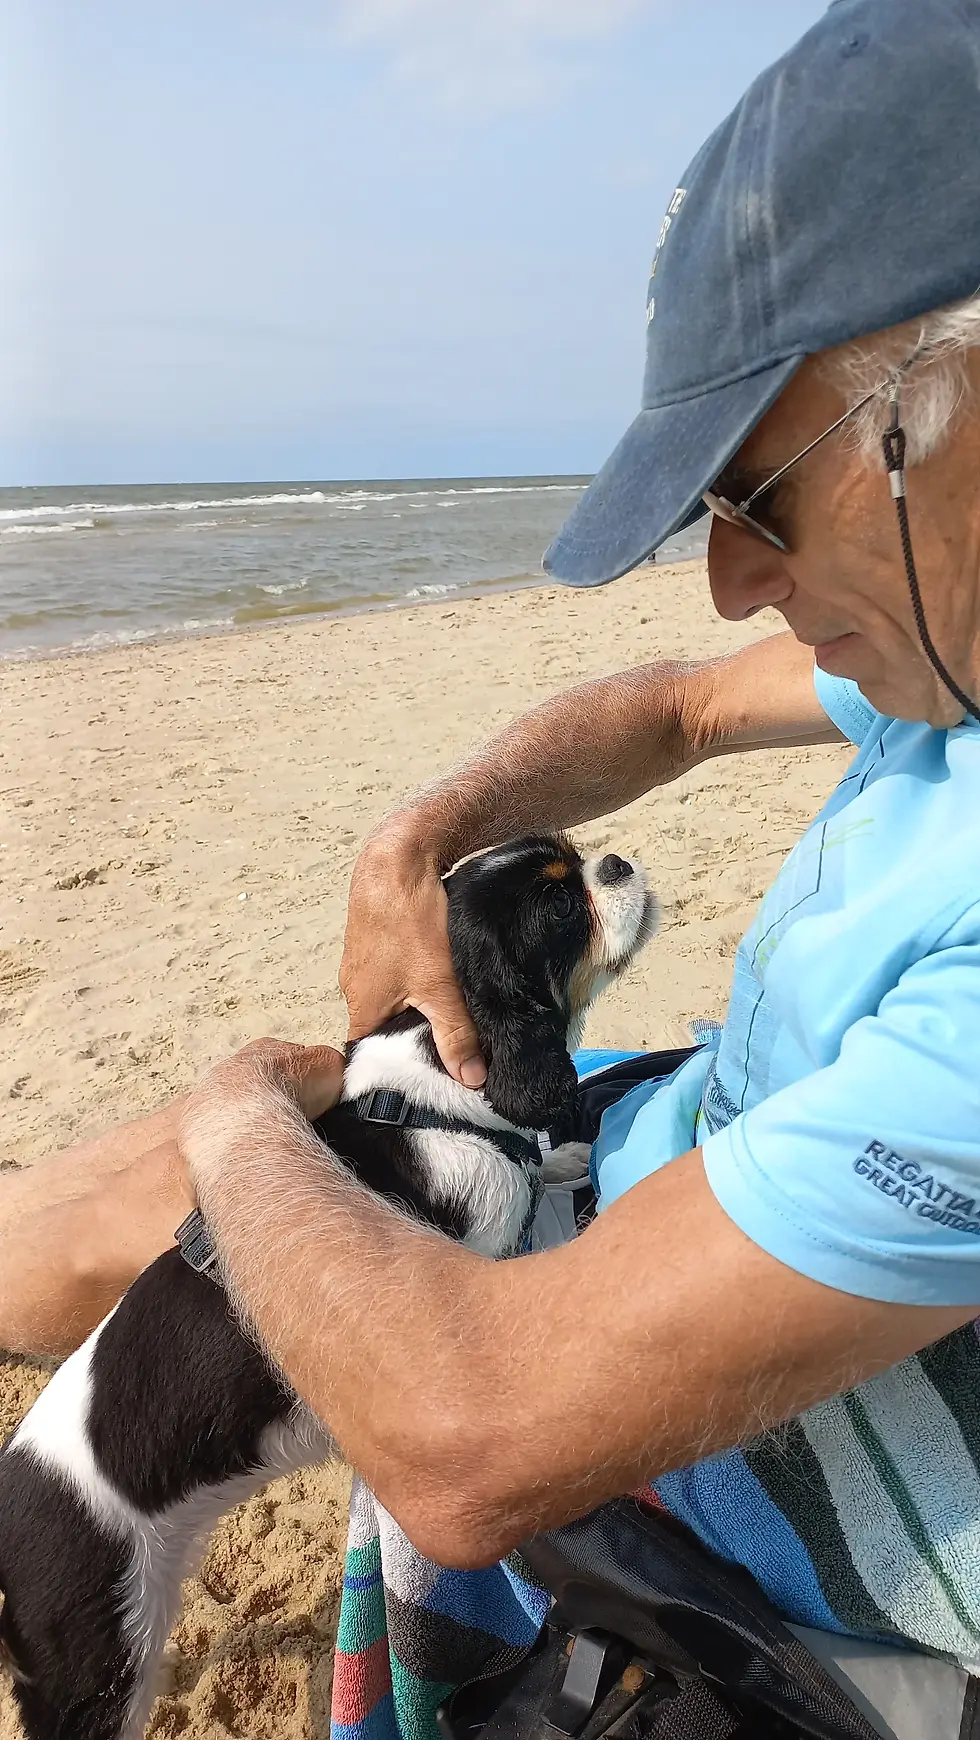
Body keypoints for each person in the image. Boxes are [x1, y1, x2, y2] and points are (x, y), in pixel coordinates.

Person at [5, 0, 980, 1728]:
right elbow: (675, 711)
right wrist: (422, 838)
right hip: (700, 1124)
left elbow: (468, 1442)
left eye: (756, 494)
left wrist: (249, 1124)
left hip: (681, 1275)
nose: (731, 582)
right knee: (110, 1197)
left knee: (216, 1165)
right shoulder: (940, 631)